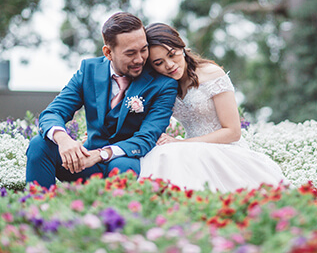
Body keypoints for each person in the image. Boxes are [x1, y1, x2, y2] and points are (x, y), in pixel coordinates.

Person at [26, 13, 178, 189]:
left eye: (143, 50)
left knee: (122, 167)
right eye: (130, 53)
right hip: (85, 165)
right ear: (108, 52)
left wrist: (101, 154)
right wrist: (63, 139)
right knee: (39, 144)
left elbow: (146, 137)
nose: (139, 59)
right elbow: (54, 112)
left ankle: (114, 215)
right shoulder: (88, 70)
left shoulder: (163, 84)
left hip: (127, 163)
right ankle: (37, 209)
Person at [139, 23, 287, 192]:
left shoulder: (211, 74)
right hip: (190, 151)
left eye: (172, 54)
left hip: (225, 149)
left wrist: (184, 143)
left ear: (182, 46)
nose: (169, 65)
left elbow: (233, 131)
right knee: (160, 156)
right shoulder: (165, 86)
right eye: (159, 63)